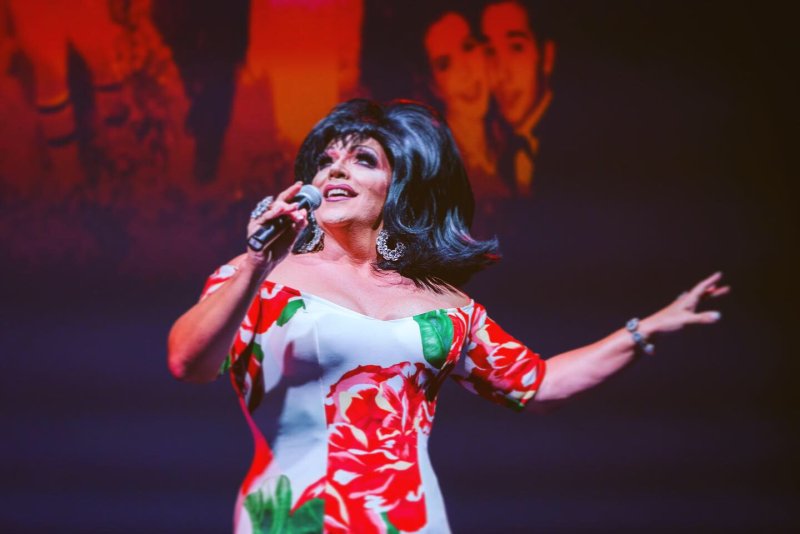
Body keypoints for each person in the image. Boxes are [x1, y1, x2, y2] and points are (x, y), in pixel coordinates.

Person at [167, 99, 728, 533]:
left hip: (410, 517)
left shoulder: (445, 305)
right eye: (326, 160)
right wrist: (258, 262)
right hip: (296, 514)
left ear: (401, 186)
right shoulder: (262, 276)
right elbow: (188, 361)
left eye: (362, 159)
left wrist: (642, 331)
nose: (335, 170)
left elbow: (538, 383)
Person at [481, 0, 555, 196]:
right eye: (490, 52)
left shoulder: (585, 144)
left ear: (546, 57)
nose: (500, 74)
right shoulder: (501, 153)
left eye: (516, 48)